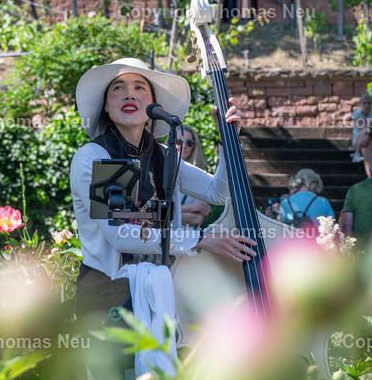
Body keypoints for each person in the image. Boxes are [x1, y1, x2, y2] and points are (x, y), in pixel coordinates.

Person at [70, 58, 256, 322]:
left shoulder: (163, 156)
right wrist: (199, 238)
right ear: (106, 107)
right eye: (118, 88)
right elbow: (121, 234)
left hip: (159, 291)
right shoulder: (97, 156)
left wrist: (228, 142)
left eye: (139, 87)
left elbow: (217, 192)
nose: (129, 94)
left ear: (154, 105)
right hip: (109, 295)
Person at [178, 127, 211, 227]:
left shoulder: (199, 173)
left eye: (189, 143)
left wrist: (165, 214)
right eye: (179, 141)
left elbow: (197, 219)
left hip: (190, 239)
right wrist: (194, 207)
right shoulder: (159, 171)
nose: (184, 146)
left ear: (194, 146)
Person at [350, 93, 372, 170]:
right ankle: (357, 153)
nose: (367, 105)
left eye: (369, 103)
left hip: (369, 139)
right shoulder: (356, 114)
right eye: (364, 103)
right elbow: (363, 126)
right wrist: (371, 128)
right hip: (358, 141)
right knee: (366, 130)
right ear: (361, 104)